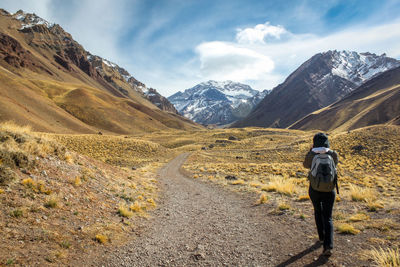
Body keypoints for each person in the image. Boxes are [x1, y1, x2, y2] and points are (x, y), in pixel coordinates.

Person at [303, 132, 339, 257]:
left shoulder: (312, 154)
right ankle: (328, 245)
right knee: (328, 216)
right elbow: (336, 164)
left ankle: (321, 237)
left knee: (318, 211)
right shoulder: (333, 153)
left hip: (314, 189)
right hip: (329, 189)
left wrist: (311, 152)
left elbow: (305, 165)